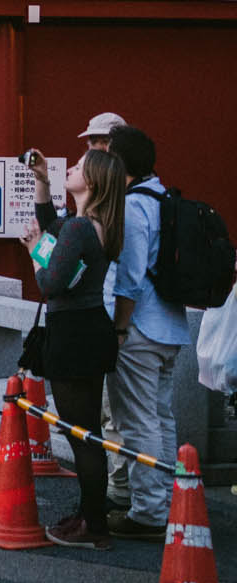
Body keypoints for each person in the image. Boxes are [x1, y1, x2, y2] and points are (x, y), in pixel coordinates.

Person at [21, 147, 127, 548]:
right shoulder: (91, 224)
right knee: (88, 433)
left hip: (74, 333)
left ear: (94, 182)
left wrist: (34, 252)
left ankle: (93, 525)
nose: (74, 168)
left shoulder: (82, 228)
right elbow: (54, 230)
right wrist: (42, 180)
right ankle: (89, 515)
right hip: (88, 329)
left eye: (80, 167)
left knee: (82, 434)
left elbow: (50, 283)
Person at [104, 124, 186, 540]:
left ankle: (149, 513)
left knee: (138, 422)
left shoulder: (134, 207)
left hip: (138, 328)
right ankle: (174, 501)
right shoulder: (165, 197)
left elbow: (130, 277)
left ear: (120, 165)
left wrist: (119, 328)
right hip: (171, 326)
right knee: (161, 418)